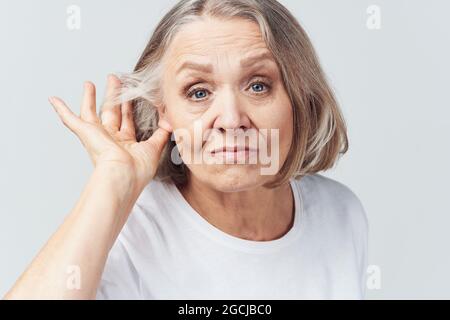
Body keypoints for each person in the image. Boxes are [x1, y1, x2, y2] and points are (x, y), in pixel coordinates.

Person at [4, 0, 368, 299]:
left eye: (258, 86)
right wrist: (110, 181)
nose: (230, 119)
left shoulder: (341, 214)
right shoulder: (125, 232)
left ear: (298, 97)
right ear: (165, 113)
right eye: (198, 92)